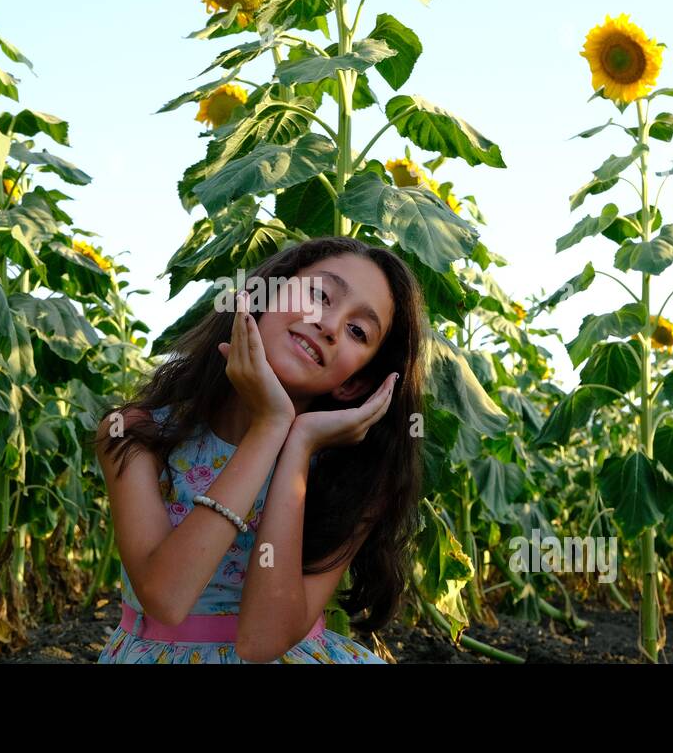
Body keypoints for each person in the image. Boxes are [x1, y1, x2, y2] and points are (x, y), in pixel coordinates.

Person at [94, 236, 427, 663]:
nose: (328, 325)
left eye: (357, 331)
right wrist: (269, 428)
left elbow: (262, 643)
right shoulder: (135, 434)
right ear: (263, 296)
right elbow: (166, 596)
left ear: (354, 384)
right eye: (319, 295)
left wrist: (298, 446)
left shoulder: (355, 475)